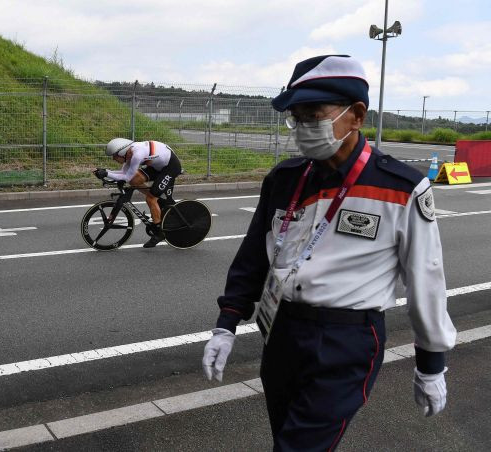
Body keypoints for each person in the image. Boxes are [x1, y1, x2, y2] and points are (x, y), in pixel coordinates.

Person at [201, 55, 456, 450]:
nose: (302, 128)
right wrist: (227, 322)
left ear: (356, 115)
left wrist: (431, 364)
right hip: (281, 331)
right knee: (285, 435)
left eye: (313, 115)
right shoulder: (285, 179)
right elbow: (254, 255)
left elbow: (427, 281)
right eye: (296, 117)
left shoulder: (401, 187)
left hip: (346, 340)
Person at [94, 138, 182, 247]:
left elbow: (126, 177)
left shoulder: (137, 155)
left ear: (122, 152)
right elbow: (123, 173)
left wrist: (107, 173)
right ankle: (157, 197)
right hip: (157, 166)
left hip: (170, 167)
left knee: (150, 198)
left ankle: (159, 233)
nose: (113, 159)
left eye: (114, 156)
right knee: (135, 181)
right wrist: (105, 171)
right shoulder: (129, 153)